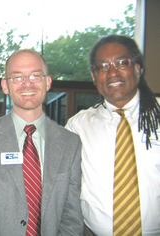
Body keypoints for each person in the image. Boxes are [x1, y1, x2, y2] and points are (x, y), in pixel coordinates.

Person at [0, 49, 84, 235]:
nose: (27, 84)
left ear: (47, 82)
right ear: (5, 86)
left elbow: (72, 217)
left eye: (35, 76)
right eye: (17, 77)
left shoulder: (70, 144)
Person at [65, 35, 160, 235]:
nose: (112, 72)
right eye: (102, 67)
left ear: (137, 69)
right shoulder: (77, 126)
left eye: (121, 63)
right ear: (93, 76)